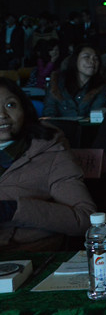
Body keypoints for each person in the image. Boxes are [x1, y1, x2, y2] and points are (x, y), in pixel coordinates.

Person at [0, 78, 95, 251]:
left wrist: (14, 210)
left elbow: (85, 219)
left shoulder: (50, 151)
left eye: (10, 105)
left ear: (24, 108)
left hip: (29, 255)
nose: (2, 115)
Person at [43, 45, 106, 118]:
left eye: (96, 58)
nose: (92, 61)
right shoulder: (57, 81)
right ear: (75, 59)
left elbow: (95, 116)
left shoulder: (101, 87)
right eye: (86, 57)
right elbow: (49, 111)